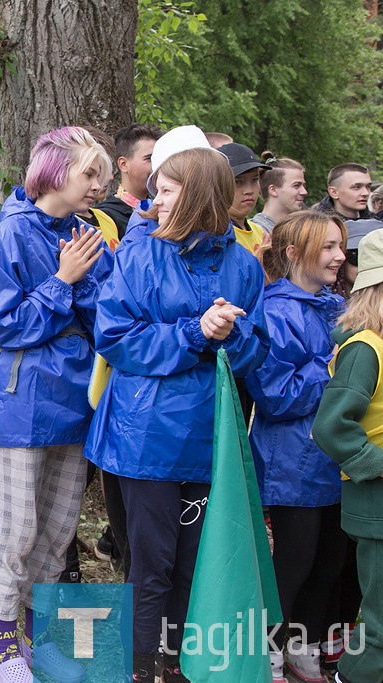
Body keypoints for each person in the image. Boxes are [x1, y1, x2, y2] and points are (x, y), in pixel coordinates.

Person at [86, 147, 270, 682]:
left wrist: (232, 335)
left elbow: (256, 354)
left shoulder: (242, 264)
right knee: (150, 568)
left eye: (166, 189)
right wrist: (194, 332)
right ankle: (142, 667)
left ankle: (182, 665)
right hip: (145, 438)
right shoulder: (142, 255)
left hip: (210, 439)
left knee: (197, 562)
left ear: (197, 196)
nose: (153, 198)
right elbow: (115, 339)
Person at [0, 126, 113, 683]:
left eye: (104, 176)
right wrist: (62, 280)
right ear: (55, 172)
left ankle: (40, 640)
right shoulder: (6, 237)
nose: (100, 186)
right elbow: (6, 325)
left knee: (57, 531)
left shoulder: (87, 233)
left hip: (77, 401)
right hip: (23, 403)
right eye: (90, 174)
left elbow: (106, 315)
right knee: (17, 530)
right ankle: (4, 649)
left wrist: (78, 284)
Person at [245, 210, 349, 683]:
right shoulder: (274, 310)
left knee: (329, 563)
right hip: (294, 463)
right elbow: (275, 395)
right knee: (292, 565)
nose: (339, 256)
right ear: (293, 253)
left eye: (339, 245)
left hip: (336, 461)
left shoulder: (334, 307)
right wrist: (332, 368)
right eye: (327, 247)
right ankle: (266, 650)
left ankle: (303, 646)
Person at [312, 226, 383, 683]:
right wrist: (377, 466)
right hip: (376, 503)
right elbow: (330, 425)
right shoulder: (365, 348)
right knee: (380, 617)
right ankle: (355, 675)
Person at [96, 123, 164, 240]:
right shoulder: (106, 217)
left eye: (160, 159)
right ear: (123, 164)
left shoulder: (164, 210)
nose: (158, 166)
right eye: (149, 159)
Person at [216, 142, 271, 257]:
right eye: (238, 182)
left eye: (255, 180)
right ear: (217, 185)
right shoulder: (215, 236)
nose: (249, 190)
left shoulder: (261, 233)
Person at [252, 155, 308, 231]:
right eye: (296, 185)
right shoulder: (256, 232)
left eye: (304, 185)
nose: (304, 192)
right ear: (273, 190)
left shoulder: (301, 231)